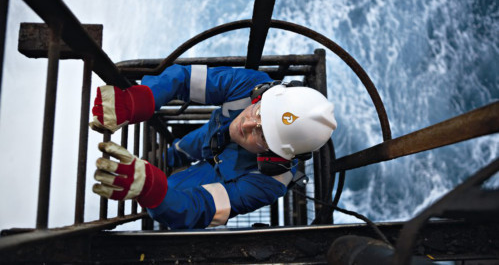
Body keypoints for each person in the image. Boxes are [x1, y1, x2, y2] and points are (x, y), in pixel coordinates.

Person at [90, 64, 337, 229]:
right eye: (259, 112)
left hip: (217, 175)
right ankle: (171, 156)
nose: (247, 123)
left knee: (170, 195)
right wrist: (142, 98)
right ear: (263, 94)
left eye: (262, 133)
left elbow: (201, 208)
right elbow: (186, 79)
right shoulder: (252, 84)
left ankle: (157, 176)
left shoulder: (269, 184)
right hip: (210, 137)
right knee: (182, 148)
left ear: (272, 156)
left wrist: (153, 191)